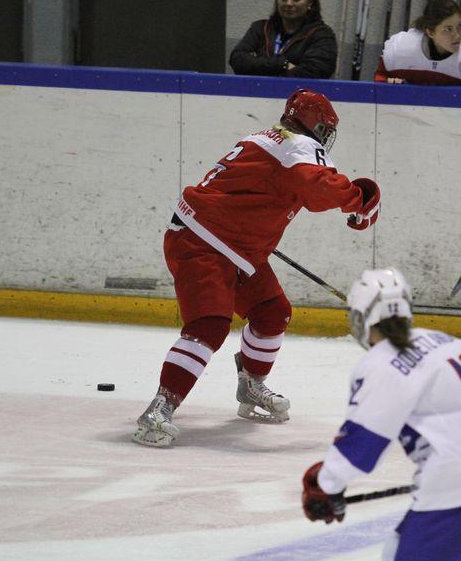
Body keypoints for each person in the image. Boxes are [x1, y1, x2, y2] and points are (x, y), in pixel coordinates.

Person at [132, 89, 381, 447]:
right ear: (315, 126)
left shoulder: (266, 138)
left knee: (272, 312)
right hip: (206, 244)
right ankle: (160, 407)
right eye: (325, 131)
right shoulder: (298, 145)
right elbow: (318, 190)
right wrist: (360, 199)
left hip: (223, 243)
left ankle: (251, 385)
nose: (325, 140)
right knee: (209, 325)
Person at [301, 267, 461, 561]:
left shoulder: (383, 362)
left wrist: (327, 485)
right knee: (397, 555)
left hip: (459, 482)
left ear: (361, 319)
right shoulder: (447, 342)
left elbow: (360, 449)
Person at [228, 0, 337, 79]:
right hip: (256, 94)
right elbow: (237, 60)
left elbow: (313, 73)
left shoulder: (322, 35)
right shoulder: (260, 28)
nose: (289, 3)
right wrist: (282, 64)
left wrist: (258, 65)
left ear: (310, 2)